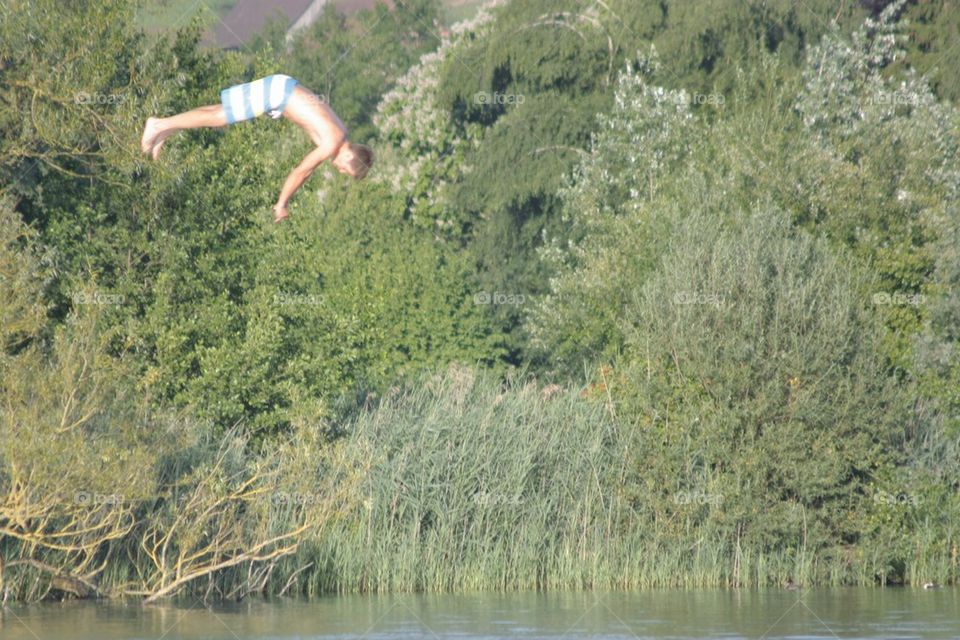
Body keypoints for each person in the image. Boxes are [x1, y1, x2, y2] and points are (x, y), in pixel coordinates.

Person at [140, 74, 373, 223]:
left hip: (281, 91)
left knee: (218, 112)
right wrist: (282, 203)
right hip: (276, 94)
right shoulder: (333, 142)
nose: (339, 170)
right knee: (219, 117)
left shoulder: (340, 133)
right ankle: (159, 125)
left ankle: (165, 129)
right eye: (345, 169)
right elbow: (302, 171)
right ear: (350, 155)